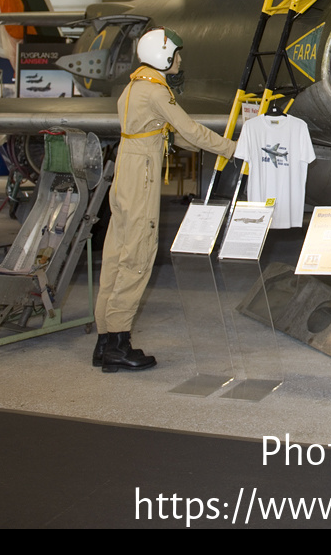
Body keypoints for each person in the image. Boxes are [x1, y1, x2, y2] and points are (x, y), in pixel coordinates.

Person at [93, 28, 236, 373]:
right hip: (141, 175)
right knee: (138, 254)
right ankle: (119, 343)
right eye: (177, 53)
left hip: (125, 173)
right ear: (163, 56)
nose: (180, 59)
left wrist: (205, 143)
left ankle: (104, 341)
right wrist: (233, 148)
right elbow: (189, 130)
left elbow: (171, 135)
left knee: (116, 253)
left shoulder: (132, 88)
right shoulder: (157, 92)